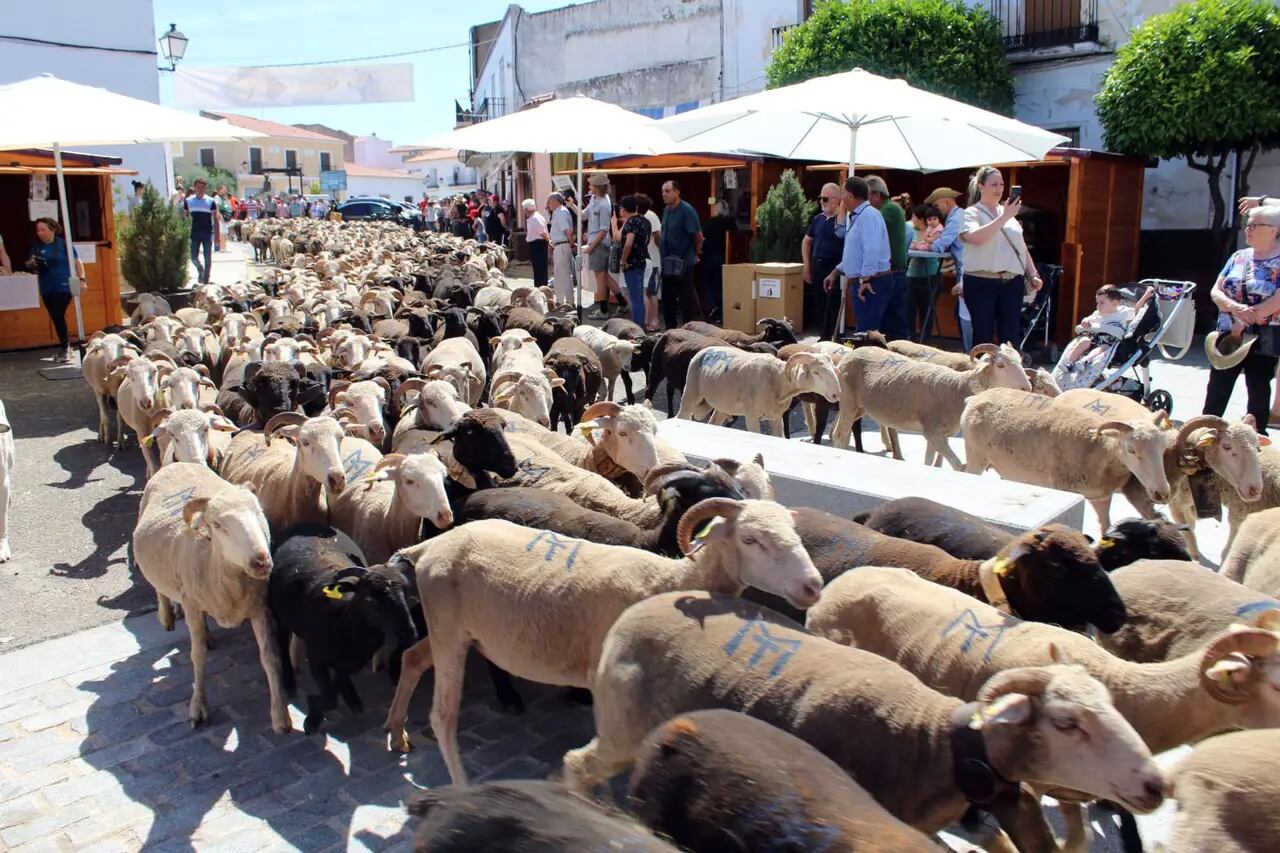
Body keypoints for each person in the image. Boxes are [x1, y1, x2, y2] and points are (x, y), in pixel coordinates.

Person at [1203, 205, 1280, 432]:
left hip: (1264, 334)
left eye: (1254, 225)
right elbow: (1216, 291)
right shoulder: (1238, 257)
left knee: (1258, 386)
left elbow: (1278, 299)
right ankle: (1204, 433)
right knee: (1218, 385)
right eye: (1247, 224)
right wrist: (1236, 309)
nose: (1247, 229)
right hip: (1229, 332)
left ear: (1274, 230)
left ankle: (1255, 438)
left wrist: (1249, 316)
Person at [959, 166, 1042, 349]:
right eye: (994, 184)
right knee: (983, 336)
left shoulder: (1008, 214)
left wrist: (1033, 273)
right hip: (981, 281)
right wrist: (1004, 217)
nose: (999, 188)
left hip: (1011, 281)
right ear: (981, 186)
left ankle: (1009, 377)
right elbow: (975, 238)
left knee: (1011, 336)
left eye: (1002, 184)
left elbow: (1021, 247)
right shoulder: (972, 212)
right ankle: (980, 376)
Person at [823, 176, 891, 335]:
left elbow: (871, 251)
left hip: (871, 282)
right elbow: (856, 253)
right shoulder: (860, 216)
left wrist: (866, 279)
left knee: (866, 334)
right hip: (864, 281)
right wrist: (836, 271)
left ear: (851, 196)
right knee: (863, 332)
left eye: (843, 194)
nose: (841, 199)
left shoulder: (868, 216)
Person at [25, 218, 86, 363]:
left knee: (57, 312)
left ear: (52, 229)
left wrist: (82, 279)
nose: (40, 233)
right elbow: (29, 265)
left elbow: (77, 261)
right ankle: (66, 347)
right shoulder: (36, 247)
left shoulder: (63, 243)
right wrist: (31, 263)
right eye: (38, 230)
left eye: (43, 230)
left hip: (64, 284)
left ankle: (66, 347)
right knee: (55, 316)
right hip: (46, 286)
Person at [922, 187, 969, 350]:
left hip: (966, 272)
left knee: (965, 315)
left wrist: (924, 246)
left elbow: (940, 245)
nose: (935, 210)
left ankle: (969, 352)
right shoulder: (958, 216)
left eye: (937, 205)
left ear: (947, 202)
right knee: (961, 313)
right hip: (965, 270)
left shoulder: (956, 219)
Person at [866, 175, 910, 340]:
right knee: (891, 320)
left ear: (876, 195)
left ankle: (902, 354)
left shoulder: (889, 210)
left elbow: (868, 226)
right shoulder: (891, 209)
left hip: (891, 274)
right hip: (892, 273)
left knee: (894, 322)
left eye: (866, 196)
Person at [803, 183, 845, 341]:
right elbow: (806, 241)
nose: (822, 201)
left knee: (833, 302)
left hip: (833, 265)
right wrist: (806, 265)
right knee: (819, 302)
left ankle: (835, 335)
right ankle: (823, 335)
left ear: (836, 200)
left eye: (825, 199)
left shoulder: (841, 222)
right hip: (817, 264)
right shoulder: (817, 219)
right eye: (821, 198)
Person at [659, 179, 703, 329]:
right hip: (667, 263)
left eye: (668, 191)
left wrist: (695, 253)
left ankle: (688, 331)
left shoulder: (687, 210)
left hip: (684, 262)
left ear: (677, 192)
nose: (664, 194)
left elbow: (697, 236)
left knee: (686, 300)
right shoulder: (666, 210)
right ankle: (669, 330)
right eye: (663, 191)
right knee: (667, 301)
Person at [584, 172, 623, 319]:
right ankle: (622, 303)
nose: (589, 186)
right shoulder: (595, 199)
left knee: (600, 277)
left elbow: (604, 229)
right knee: (604, 276)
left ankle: (604, 310)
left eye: (592, 184)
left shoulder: (603, 204)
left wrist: (592, 245)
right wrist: (572, 205)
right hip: (597, 243)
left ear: (597, 187)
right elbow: (583, 215)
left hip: (599, 244)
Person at [905, 204, 943, 339]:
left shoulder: (934, 231)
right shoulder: (909, 229)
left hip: (930, 274)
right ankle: (909, 339)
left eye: (914, 216)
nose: (912, 218)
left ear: (921, 219)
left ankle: (924, 340)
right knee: (909, 310)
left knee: (926, 310)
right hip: (911, 275)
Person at [614, 195, 651, 327]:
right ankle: (640, 324)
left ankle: (638, 326)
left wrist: (623, 261)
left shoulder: (631, 222)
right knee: (639, 296)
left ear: (623, 209)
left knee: (635, 297)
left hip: (632, 263)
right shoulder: (644, 221)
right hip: (642, 260)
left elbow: (628, 244)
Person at [700, 199, 735, 323]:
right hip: (725, 258)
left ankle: (711, 309)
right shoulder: (731, 223)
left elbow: (701, 236)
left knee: (707, 283)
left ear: (716, 210)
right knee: (719, 284)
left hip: (709, 256)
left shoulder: (711, 222)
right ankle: (721, 310)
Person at [182, 178, 220, 285]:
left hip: (207, 233)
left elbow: (216, 219)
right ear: (194, 187)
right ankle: (200, 270)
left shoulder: (210, 201)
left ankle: (206, 282)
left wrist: (217, 237)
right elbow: (185, 218)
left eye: (203, 187)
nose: (200, 189)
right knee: (193, 257)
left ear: (206, 188)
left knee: (208, 259)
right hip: (194, 233)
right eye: (198, 187)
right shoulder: (188, 201)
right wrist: (184, 232)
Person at [637, 193, 662, 332]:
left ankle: (653, 321)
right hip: (646, 259)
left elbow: (658, 236)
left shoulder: (651, 216)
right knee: (648, 292)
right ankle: (649, 320)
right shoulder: (644, 216)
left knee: (650, 292)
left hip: (651, 259)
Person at [547, 192, 576, 308]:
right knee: (558, 275)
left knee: (565, 274)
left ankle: (569, 301)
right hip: (558, 246)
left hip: (563, 245)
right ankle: (559, 300)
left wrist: (571, 243)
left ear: (554, 201)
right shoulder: (557, 212)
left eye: (549, 202)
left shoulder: (562, 212)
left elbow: (567, 231)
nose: (548, 205)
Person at [523, 198, 549, 288]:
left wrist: (549, 242)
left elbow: (543, 233)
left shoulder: (536, 218)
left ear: (526, 209)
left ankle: (541, 287)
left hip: (538, 244)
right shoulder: (533, 218)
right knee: (537, 268)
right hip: (535, 245)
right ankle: (538, 286)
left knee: (540, 268)